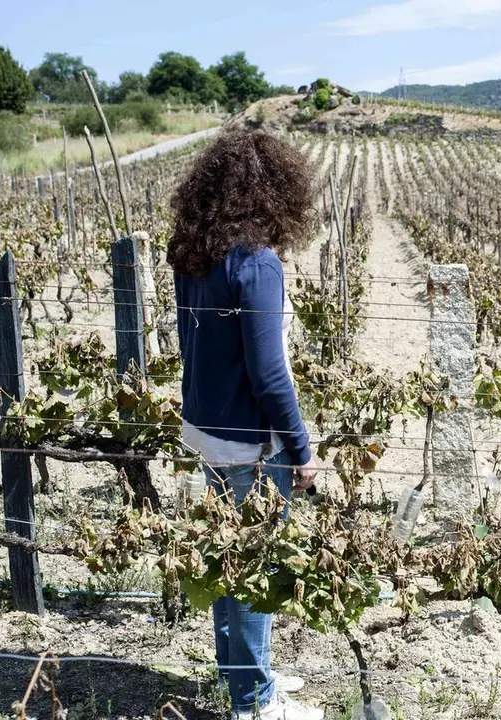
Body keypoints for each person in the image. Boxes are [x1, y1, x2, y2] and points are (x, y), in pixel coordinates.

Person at [168, 129, 322, 720]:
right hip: (250, 441)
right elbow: (269, 373)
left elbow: (190, 343)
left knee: (226, 560)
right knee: (254, 564)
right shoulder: (257, 264)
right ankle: (254, 704)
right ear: (276, 192)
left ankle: (244, 681)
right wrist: (301, 448)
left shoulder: (193, 254)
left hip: (205, 427)